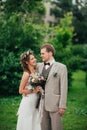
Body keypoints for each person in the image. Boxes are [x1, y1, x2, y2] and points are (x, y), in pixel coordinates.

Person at [37, 44, 68, 130]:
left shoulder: (61, 67)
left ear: (50, 53)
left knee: (56, 127)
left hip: (55, 104)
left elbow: (64, 87)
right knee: (44, 127)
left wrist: (62, 105)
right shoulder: (39, 66)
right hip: (42, 103)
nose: (41, 55)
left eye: (43, 53)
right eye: (40, 53)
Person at [16, 50, 41, 130]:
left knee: (35, 121)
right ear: (27, 62)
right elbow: (20, 90)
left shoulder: (35, 71)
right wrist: (33, 91)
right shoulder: (26, 74)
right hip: (28, 102)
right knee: (28, 122)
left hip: (35, 101)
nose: (35, 60)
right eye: (32, 59)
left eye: (34, 58)